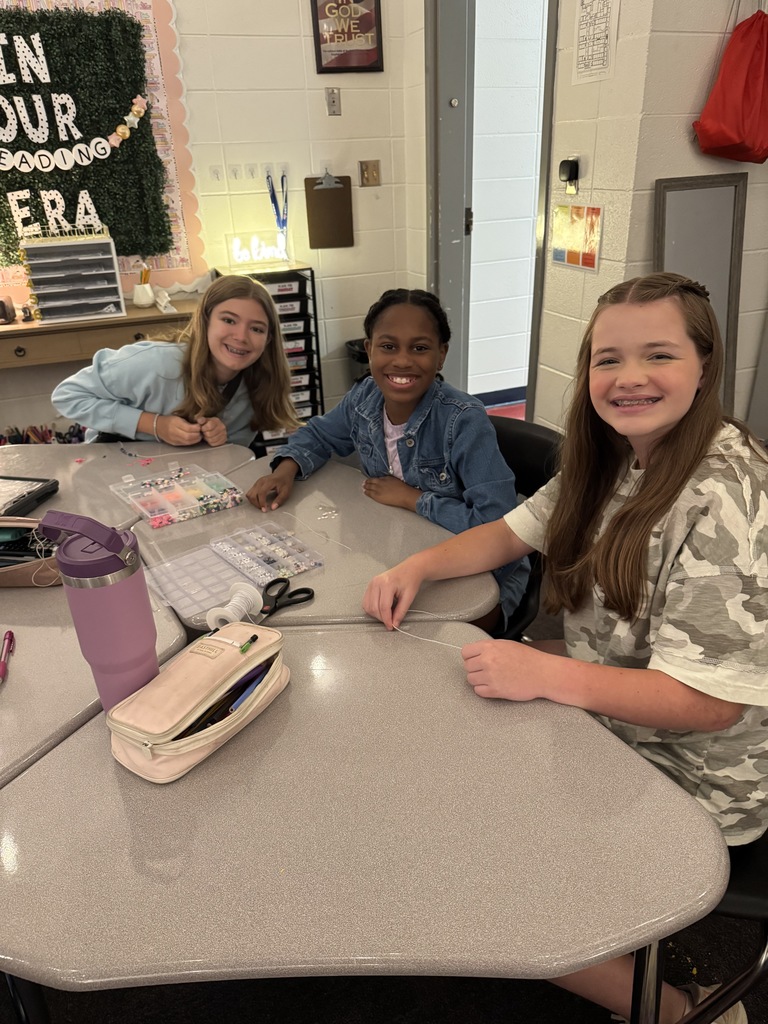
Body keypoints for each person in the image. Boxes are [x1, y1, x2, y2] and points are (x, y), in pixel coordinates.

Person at [363, 272, 768, 1024]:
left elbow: (710, 705)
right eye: (609, 359)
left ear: (704, 365)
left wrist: (545, 673)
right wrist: (414, 567)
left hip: (691, 777)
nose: (629, 377)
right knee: (430, 778)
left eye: (659, 355)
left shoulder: (726, 496)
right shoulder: (610, 457)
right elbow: (510, 532)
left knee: (463, 874)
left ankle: (679, 1010)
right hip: (605, 724)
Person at [247, 287, 530, 628]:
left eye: (420, 348)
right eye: (388, 346)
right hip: (395, 554)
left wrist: (414, 499)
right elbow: (319, 434)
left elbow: (499, 526)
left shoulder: (464, 421)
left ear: (441, 354)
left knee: (413, 643)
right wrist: (285, 470)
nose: (403, 360)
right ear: (369, 350)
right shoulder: (363, 398)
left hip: (477, 578)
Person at [51, 274, 299, 448]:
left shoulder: (257, 387)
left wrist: (221, 440)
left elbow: (232, 455)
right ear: (205, 322)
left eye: (256, 329)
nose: (241, 337)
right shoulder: (153, 363)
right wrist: (155, 425)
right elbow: (67, 395)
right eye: (229, 320)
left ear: (268, 339)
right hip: (115, 468)